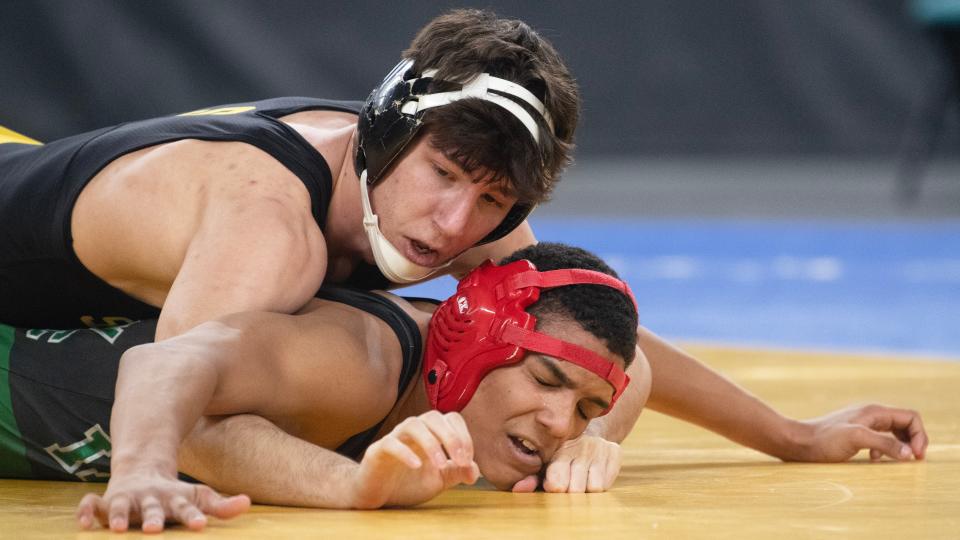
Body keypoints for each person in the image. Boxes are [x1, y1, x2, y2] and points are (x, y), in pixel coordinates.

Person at [0, 8, 927, 504]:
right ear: (390, 131)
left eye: (490, 198)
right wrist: (156, 477)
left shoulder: (455, 206)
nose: (451, 226)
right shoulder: (263, 224)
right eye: (445, 176)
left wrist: (794, 437)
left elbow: (587, 333)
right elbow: (180, 405)